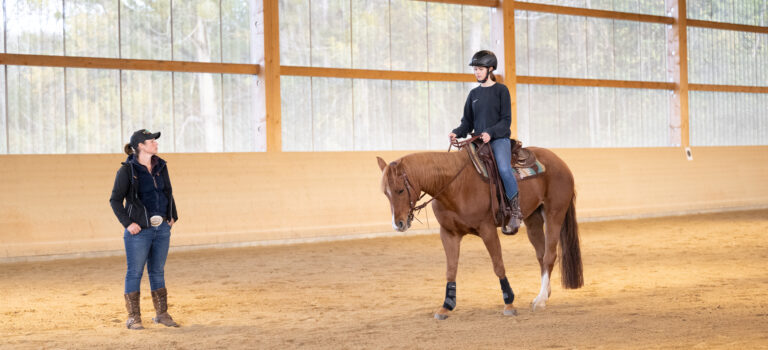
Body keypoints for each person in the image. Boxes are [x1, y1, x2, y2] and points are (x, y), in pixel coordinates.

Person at [109, 129, 179, 329]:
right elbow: (115, 200)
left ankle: (162, 314)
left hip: (162, 229)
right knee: (135, 272)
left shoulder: (161, 166)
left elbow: (168, 191)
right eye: (151, 141)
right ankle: (133, 317)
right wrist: (128, 223)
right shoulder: (127, 171)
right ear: (140, 146)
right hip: (139, 231)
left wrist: (172, 215)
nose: (155, 144)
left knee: (157, 271)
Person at [449, 50, 522, 234]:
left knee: (504, 169)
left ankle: (515, 210)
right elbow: (467, 122)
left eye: (480, 69)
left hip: (498, 139)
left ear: (490, 69)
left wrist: (490, 132)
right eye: (475, 69)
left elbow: (506, 120)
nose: (477, 72)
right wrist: (456, 133)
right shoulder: (473, 94)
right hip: (478, 140)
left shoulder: (501, 91)